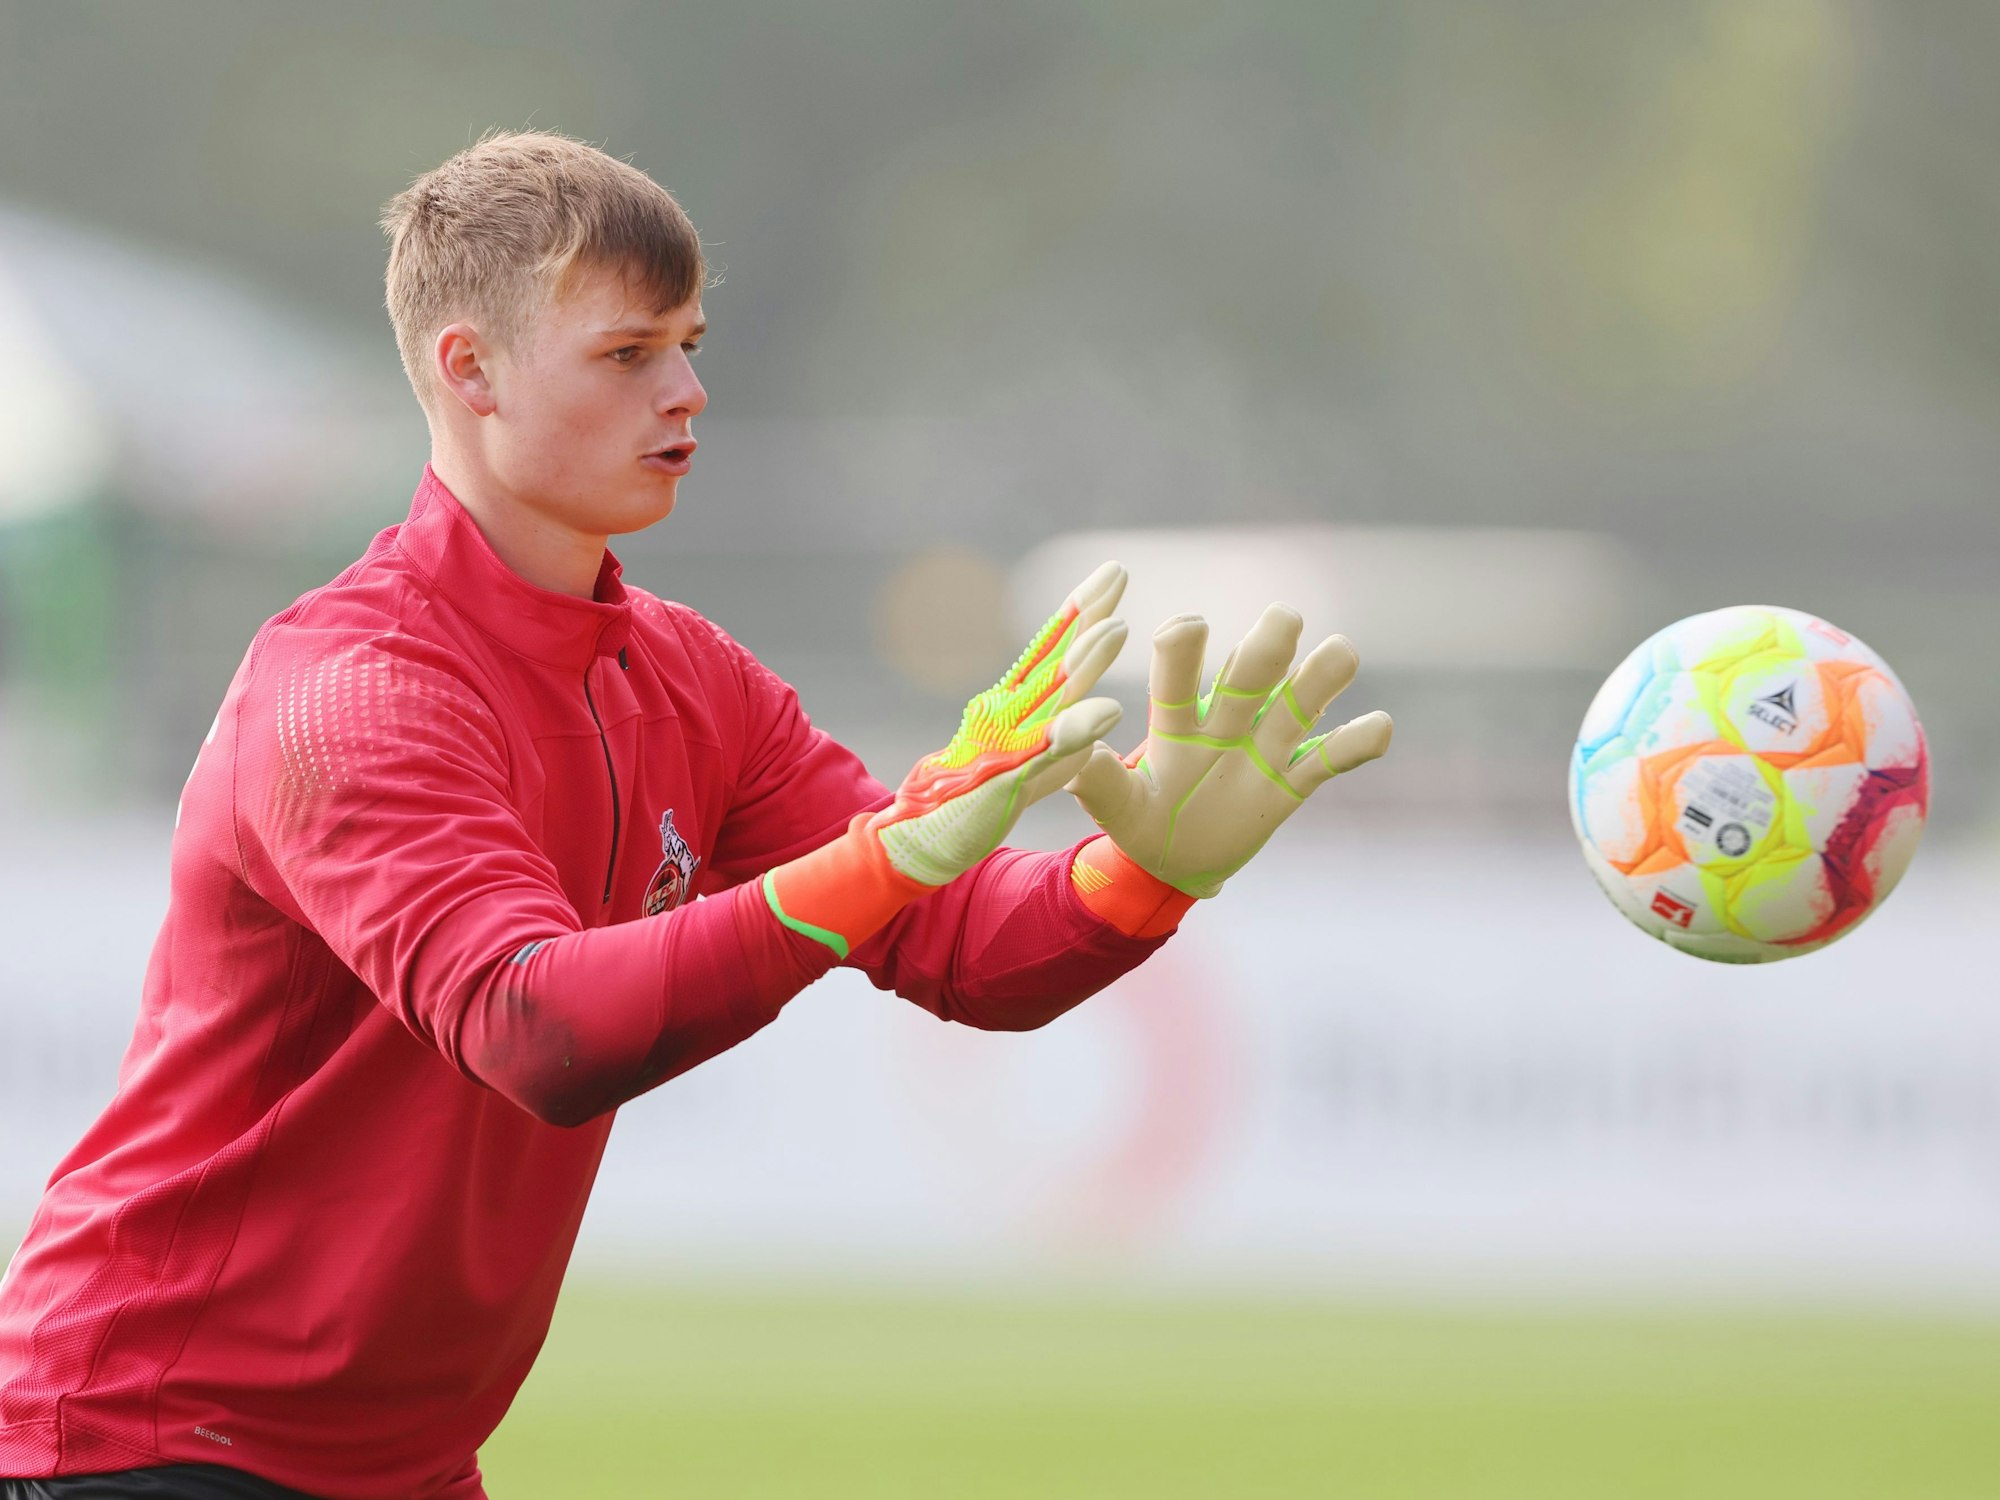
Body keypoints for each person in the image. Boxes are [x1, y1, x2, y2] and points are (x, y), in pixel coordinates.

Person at [0, 131, 1388, 1499]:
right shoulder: (347, 696)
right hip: (145, 1434)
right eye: (628, 353)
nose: (689, 391)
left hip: (399, 1465)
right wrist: (874, 861)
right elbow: (535, 1027)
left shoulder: (690, 680)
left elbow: (958, 945)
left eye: (692, 341)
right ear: (466, 369)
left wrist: (1137, 879)